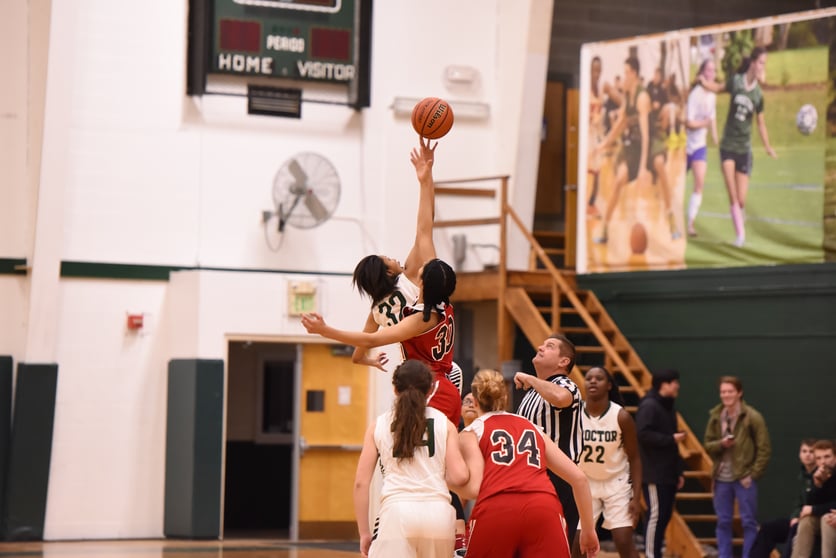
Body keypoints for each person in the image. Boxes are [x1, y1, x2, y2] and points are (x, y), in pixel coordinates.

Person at [454, 368, 600, 558]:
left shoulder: (470, 432)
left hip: (497, 508)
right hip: (543, 508)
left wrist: (446, 481)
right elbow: (579, 479)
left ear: (474, 400)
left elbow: (473, 490)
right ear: (504, 398)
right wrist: (588, 531)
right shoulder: (531, 426)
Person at [301, 256, 461, 426]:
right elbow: (423, 233)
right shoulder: (440, 302)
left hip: (430, 383)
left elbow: (365, 346)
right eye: (388, 258)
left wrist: (326, 331)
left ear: (422, 283)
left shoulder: (416, 316)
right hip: (437, 377)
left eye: (422, 268)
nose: (395, 258)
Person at [353, 359, 469, 558]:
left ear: (395, 389)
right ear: (431, 389)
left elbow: (361, 484)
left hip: (397, 514)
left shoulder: (379, 424)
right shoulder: (446, 424)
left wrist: (364, 533)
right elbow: (459, 477)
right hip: (439, 515)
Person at [350, 137, 437, 371]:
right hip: (437, 361)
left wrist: (371, 361)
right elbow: (425, 225)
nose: (393, 257)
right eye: (387, 258)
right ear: (389, 271)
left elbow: (357, 355)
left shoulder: (376, 312)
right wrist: (426, 180)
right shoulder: (407, 277)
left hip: (411, 369)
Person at [593, 56, 679, 244]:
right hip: (633, 144)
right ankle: (605, 228)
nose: (623, 77)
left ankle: (670, 217)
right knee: (618, 180)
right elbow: (619, 126)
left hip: (650, 141)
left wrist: (642, 168)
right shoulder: (628, 98)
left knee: (659, 165)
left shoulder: (642, 97)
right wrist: (602, 145)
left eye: (625, 73)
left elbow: (646, 135)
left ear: (633, 74)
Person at [701, 46, 778, 247]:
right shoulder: (736, 82)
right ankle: (740, 236)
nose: (763, 67)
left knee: (742, 200)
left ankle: (739, 215)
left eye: (764, 64)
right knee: (733, 195)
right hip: (728, 147)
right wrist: (703, 82)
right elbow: (717, 88)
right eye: (761, 62)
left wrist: (768, 146)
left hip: (744, 150)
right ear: (753, 62)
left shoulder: (758, 95)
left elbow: (761, 124)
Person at [514, 333, 583, 545]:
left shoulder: (567, 385)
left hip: (558, 480)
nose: (540, 347)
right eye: (542, 344)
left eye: (550, 346)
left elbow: (561, 398)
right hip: (529, 477)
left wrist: (532, 380)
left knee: (553, 546)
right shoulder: (532, 393)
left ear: (564, 361)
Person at [572, 366, 642, 558]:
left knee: (623, 541)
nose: (593, 381)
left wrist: (636, 498)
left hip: (616, 482)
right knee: (577, 544)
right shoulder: (575, 414)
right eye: (589, 378)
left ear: (609, 385)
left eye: (599, 378)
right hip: (585, 482)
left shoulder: (622, 417)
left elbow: (635, 458)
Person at [704, 375, 772, 558]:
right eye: (723, 392)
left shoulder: (752, 417)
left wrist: (753, 474)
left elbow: (764, 448)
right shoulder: (716, 416)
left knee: (748, 522)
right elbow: (708, 445)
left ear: (739, 393)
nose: (726, 395)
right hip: (721, 477)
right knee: (723, 521)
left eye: (730, 391)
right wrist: (721, 444)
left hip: (743, 477)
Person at [635, 369, 686, 558]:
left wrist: (679, 471)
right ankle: (650, 555)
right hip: (654, 473)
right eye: (675, 382)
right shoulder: (649, 405)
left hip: (668, 472)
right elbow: (643, 434)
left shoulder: (668, 406)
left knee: (664, 516)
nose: (678, 386)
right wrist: (670, 438)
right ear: (665, 384)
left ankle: (655, 553)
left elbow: (672, 443)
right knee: (656, 516)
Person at [751, 438, 818, 558]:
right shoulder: (802, 476)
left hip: (812, 521)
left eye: (811, 452)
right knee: (768, 528)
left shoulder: (821, 475)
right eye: (804, 451)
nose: (808, 455)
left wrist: (800, 518)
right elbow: (799, 503)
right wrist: (795, 517)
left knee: (794, 531)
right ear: (799, 454)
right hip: (799, 519)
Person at [684, 59, 719, 237]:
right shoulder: (694, 95)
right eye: (708, 70)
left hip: (699, 147)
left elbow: (712, 119)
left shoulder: (713, 96)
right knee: (676, 186)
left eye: (713, 71)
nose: (711, 74)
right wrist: (703, 123)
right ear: (702, 73)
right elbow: (688, 123)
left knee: (699, 185)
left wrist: (715, 137)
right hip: (684, 146)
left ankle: (690, 224)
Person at [791, 439, 836, 558]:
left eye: (827, 457)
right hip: (828, 515)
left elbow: (816, 507)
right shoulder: (818, 474)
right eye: (819, 458)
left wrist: (814, 509)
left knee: (827, 519)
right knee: (807, 520)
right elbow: (809, 503)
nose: (823, 462)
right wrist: (817, 485)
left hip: (830, 517)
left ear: (835, 457)